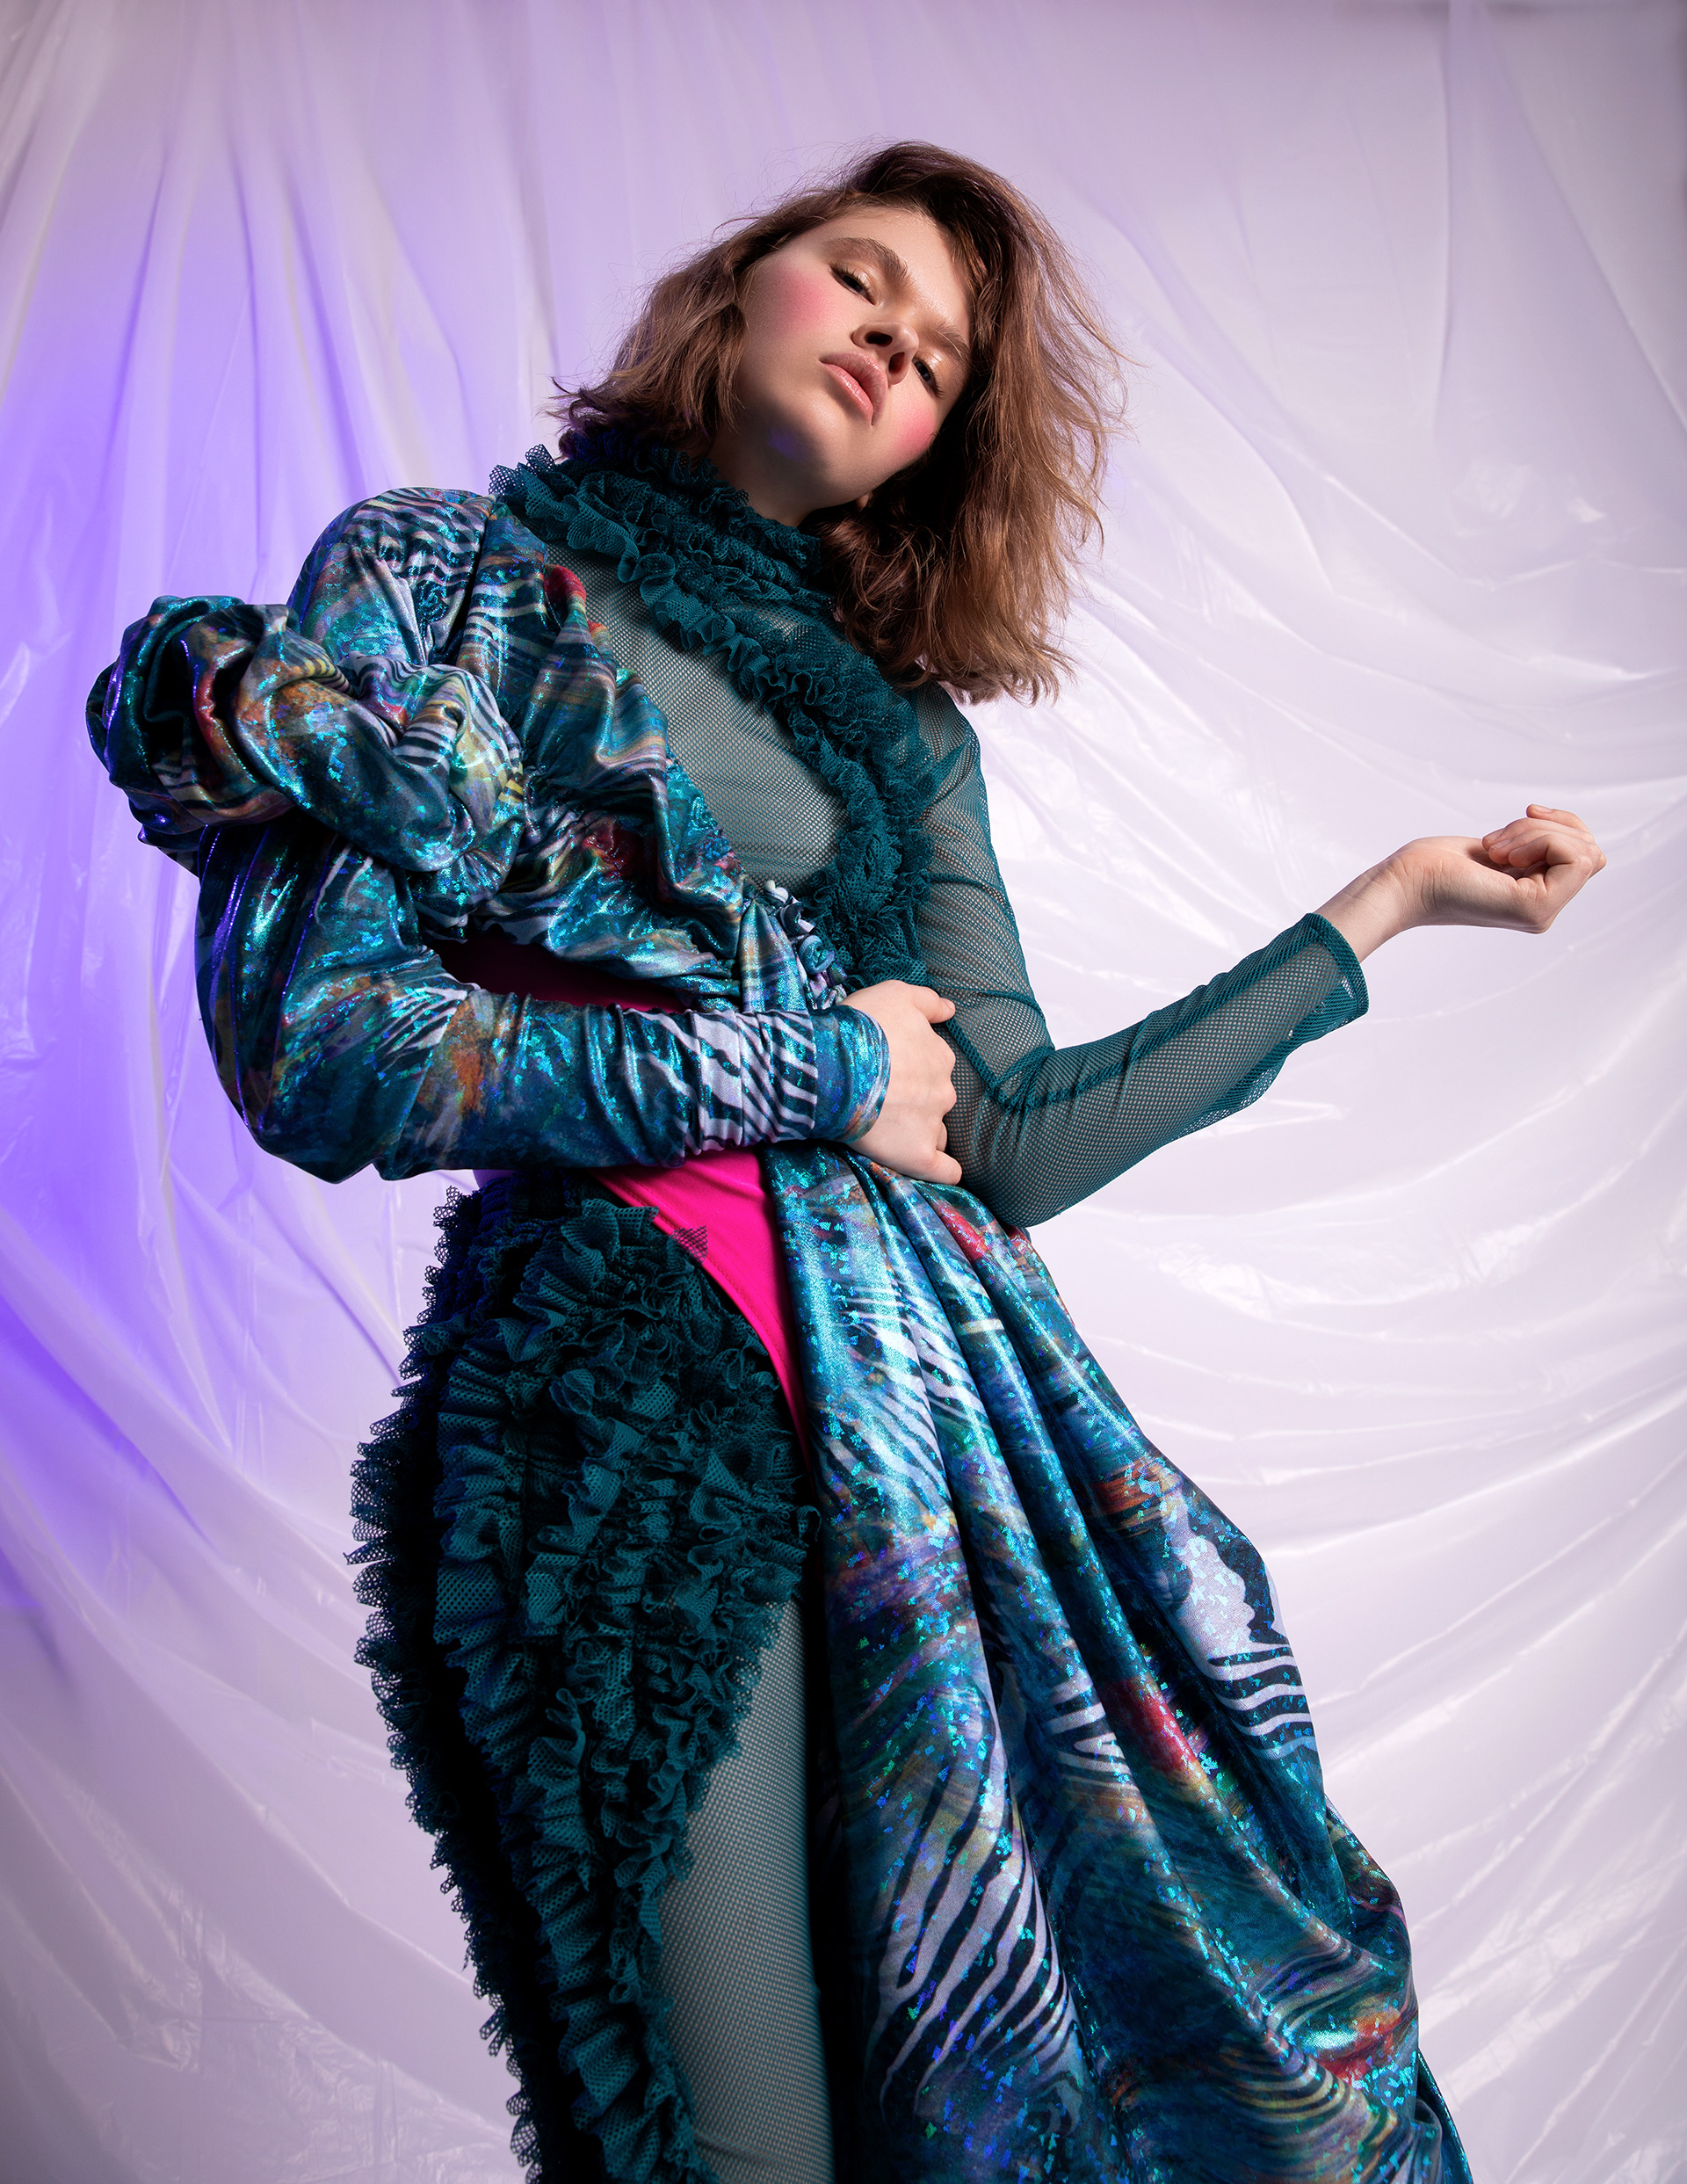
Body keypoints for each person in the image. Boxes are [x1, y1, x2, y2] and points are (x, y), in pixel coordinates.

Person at [89, 142, 1603, 2184]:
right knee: (732, 2144)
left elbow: (1010, 1141)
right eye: (863, 275)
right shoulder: (444, 575)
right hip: (631, 1419)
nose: (898, 339)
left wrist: (1387, 908)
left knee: (997, 2114)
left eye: (945, 355)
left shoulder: (903, 741)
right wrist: (799, 1063)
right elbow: (327, 1047)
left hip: (928, 1471)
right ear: (744, 287)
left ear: (931, 449)